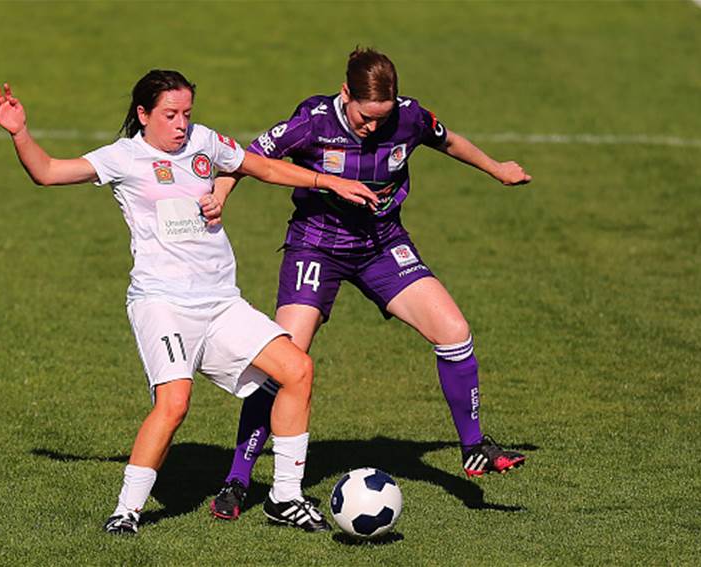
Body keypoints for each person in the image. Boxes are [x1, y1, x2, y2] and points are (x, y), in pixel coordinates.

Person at [0, 70, 380, 535]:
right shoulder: (124, 157)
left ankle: (285, 497)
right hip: (163, 303)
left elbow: (263, 167)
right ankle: (126, 511)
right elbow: (47, 173)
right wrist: (21, 133)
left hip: (220, 302)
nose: (180, 124)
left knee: (297, 370)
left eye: (186, 114)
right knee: (174, 403)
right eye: (170, 115)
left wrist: (326, 182)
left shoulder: (204, 142)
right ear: (143, 114)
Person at [208, 48, 532, 521]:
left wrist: (497, 168)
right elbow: (246, 158)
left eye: (382, 119)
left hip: (382, 245)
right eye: (365, 118)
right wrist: (217, 197)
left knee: (455, 332)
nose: (373, 128)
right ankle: (237, 480)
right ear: (346, 95)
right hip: (316, 247)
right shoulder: (312, 121)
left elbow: (450, 141)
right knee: (284, 363)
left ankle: (474, 446)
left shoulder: (409, 117)